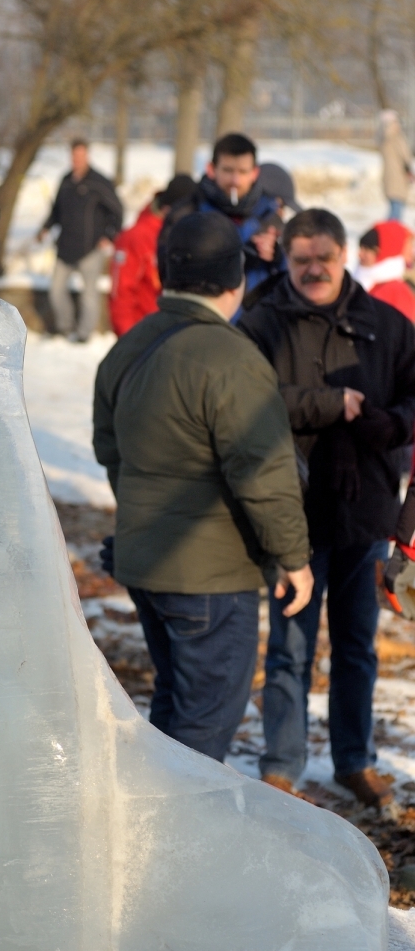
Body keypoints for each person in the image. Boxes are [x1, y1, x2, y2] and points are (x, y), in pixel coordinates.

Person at [93, 212, 313, 763]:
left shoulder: (127, 348)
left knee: (173, 711)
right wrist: (293, 556)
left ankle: (152, 831)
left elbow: (110, 451)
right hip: (210, 577)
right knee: (204, 726)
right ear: (236, 278)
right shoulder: (231, 359)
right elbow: (263, 471)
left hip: (147, 564)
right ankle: (176, 843)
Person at [240, 208, 415, 810]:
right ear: (286, 259)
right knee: (290, 645)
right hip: (291, 511)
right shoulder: (262, 323)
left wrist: (393, 423)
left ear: (346, 257)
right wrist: (328, 403)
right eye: (301, 259)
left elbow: (414, 400)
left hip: (365, 508)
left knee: (357, 644)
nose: (314, 269)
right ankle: (282, 764)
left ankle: (354, 759)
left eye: (325, 258)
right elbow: (249, 399)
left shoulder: (388, 325)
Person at [157, 133, 286, 296]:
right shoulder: (186, 213)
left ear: (254, 173)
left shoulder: (270, 214)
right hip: (205, 313)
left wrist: (277, 257)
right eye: (228, 170)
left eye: (243, 172)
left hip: (258, 317)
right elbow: (167, 271)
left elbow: (292, 276)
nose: (235, 180)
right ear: (211, 169)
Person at [38, 139, 123, 342]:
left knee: (89, 295)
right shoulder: (66, 180)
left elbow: (117, 211)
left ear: (87, 155)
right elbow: (56, 211)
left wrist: (109, 236)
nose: (77, 160)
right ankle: (65, 327)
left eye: (81, 155)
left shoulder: (99, 182)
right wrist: (45, 228)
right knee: (56, 289)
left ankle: (85, 334)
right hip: (65, 246)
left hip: (90, 248)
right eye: (74, 156)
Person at [108, 174, 196, 336]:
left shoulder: (186, 235)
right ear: (168, 209)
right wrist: (130, 339)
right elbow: (121, 292)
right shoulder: (137, 237)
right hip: (145, 335)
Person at [355, 220, 415, 323]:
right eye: (361, 248)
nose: (360, 254)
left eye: (367, 250)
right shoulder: (364, 281)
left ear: (382, 253)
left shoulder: (395, 291)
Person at [380, 110, 414, 222]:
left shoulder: (384, 138)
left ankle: (388, 233)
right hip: (398, 178)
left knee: (394, 208)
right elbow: (405, 156)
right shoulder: (397, 138)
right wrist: (409, 171)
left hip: (389, 178)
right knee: (396, 211)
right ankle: (390, 235)